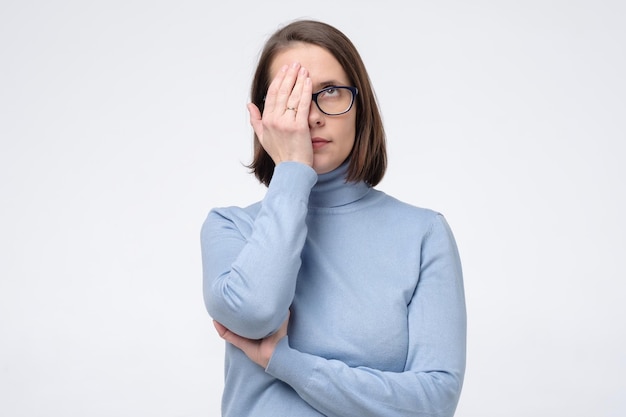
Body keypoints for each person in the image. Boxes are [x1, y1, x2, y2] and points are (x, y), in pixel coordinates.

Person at [201, 19, 466, 417]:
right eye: (291, 97)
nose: (312, 116)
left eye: (329, 91)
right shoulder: (231, 227)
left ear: (360, 105)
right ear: (263, 117)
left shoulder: (424, 234)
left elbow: (433, 403)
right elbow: (255, 313)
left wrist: (284, 361)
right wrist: (292, 170)